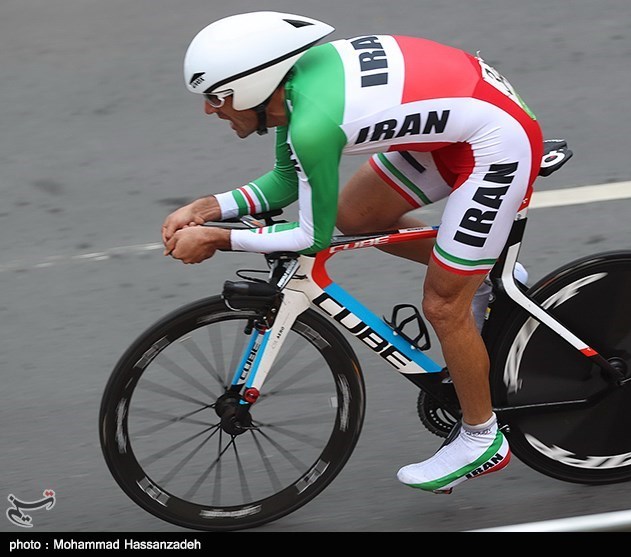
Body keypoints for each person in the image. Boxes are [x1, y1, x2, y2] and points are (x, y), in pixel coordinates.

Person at [162, 11, 543, 494]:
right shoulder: (290, 92)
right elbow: (284, 182)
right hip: (458, 121)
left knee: (444, 305)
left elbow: (311, 238)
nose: (210, 110)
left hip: (496, 142)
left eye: (217, 97)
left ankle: (482, 438)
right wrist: (208, 207)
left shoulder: (312, 124)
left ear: (255, 86)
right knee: (356, 217)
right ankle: (484, 271)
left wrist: (220, 237)